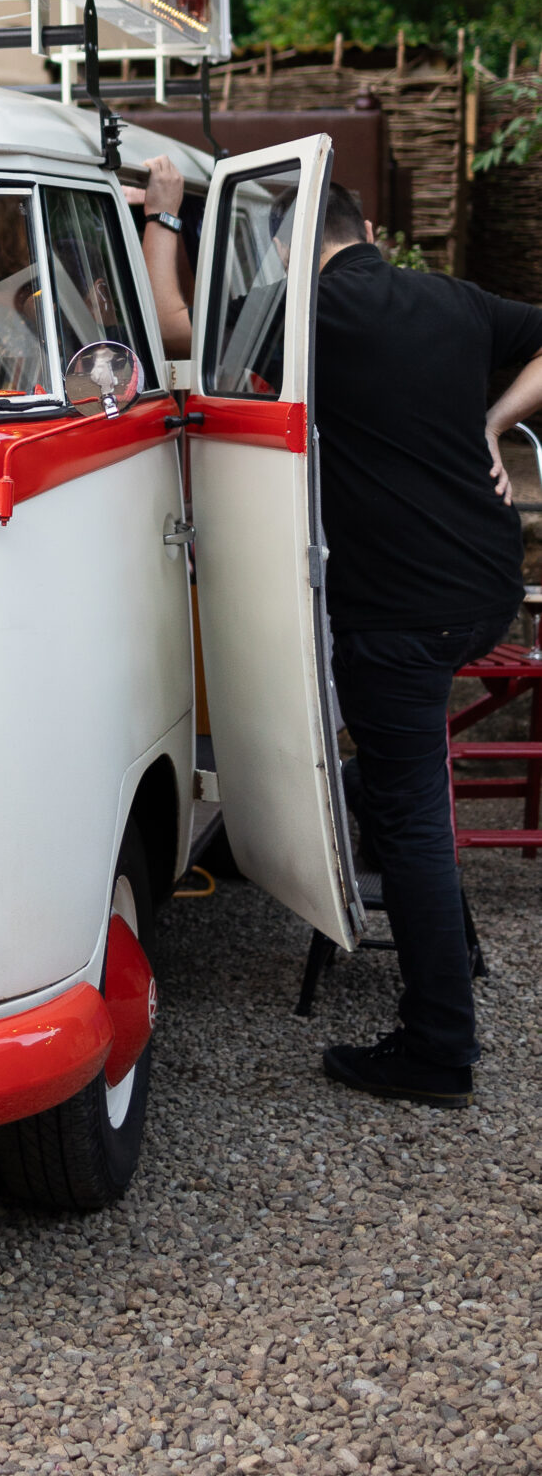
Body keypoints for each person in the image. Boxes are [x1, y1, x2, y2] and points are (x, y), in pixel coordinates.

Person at [137, 156, 542, 1108]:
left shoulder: (297, 313)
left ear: (289, 241)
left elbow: (169, 330)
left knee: (410, 824)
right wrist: (492, 420)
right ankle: (311, 810)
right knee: (388, 784)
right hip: (486, 588)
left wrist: (162, 219)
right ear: (366, 234)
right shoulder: (452, 299)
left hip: (397, 615)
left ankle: (438, 1047)